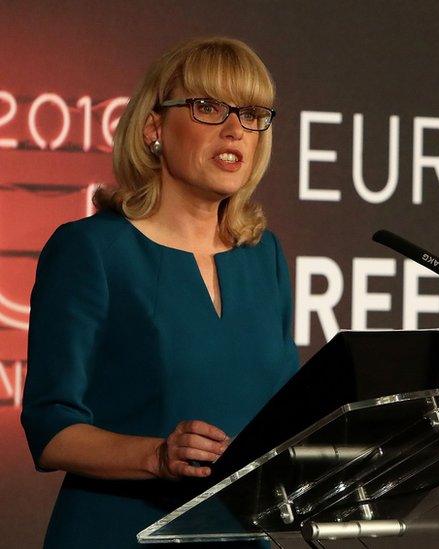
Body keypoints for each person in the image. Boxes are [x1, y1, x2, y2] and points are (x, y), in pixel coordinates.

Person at [20, 37, 299, 548]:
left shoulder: (264, 258)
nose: (235, 127)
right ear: (154, 129)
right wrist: (156, 455)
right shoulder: (92, 250)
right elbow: (50, 428)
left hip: (240, 535)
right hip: (120, 532)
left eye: (253, 113)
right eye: (208, 107)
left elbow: (285, 416)